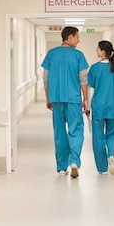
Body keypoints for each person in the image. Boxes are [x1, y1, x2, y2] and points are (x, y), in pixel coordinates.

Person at [41, 26, 89, 178]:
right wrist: (85, 98)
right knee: (76, 130)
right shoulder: (78, 55)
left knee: (59, 133)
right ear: (69, 37)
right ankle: (74, 161)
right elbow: (83, 79)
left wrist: (48, 98)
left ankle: (62, 168)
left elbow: (46, 79)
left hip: (56, 99)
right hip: (73, 99)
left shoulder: (51, 54)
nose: (79, 40)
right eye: (77, 37)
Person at [87, 40, 114, 175]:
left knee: (98, 138)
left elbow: (91, 91)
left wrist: (88, 105)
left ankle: (102, 168)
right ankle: (111, 155)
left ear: (102, 51)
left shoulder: (94, 68)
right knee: (112, 135)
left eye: (97, 49)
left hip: (98, 108)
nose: (96, 51)